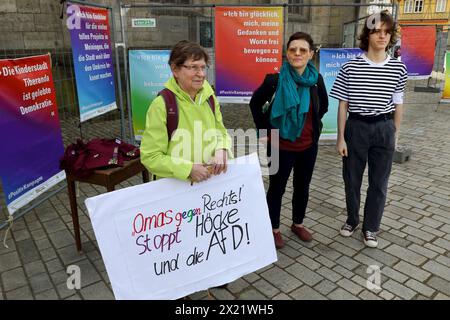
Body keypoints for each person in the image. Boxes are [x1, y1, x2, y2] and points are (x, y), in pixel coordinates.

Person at [330, 11, 407, 248]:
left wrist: (394, 132)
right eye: (377, 31)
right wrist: (340, 138)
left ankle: (371, 227)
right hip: (357, 127)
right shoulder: (350, 67)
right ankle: (352, 219)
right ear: (368, 35)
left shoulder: (398, 69)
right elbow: (343, 105)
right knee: (352, 179)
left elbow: (398, 103)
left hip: (384, 128)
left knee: (379, 182)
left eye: (387, 32)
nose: (382, 36)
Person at [250, 32, 329, 249]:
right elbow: (255, 104)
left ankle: (298, 223)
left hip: (307, 146)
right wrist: (264, 131)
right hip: (278, 145)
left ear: (311, 54)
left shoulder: (316, 81)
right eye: (293, 49)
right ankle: (273, 228)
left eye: (303, 50)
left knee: (302, 186)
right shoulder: (274, 80)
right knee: (277, 188)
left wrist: (307, 127)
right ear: (287, 53)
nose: (297, 53)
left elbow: (323, 107)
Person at [140, 40, 231, 183]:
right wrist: (188, 169)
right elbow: (150, 156)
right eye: (193, 67)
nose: (201, 74)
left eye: (203, 67)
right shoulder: (162, 104)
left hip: (209, 184)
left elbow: (221, 131)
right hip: (175, 190)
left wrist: (222, 149)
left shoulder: (209, 97)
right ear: (175, 69)